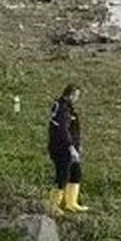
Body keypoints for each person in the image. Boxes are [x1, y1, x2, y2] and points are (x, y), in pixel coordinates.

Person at [47, 85, 88, 213]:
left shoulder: (70, 108)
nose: (76, 98)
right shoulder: (62, 109)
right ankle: (53, 204)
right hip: (61, 147)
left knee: (76, 173)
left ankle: (71, 202)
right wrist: (70, 146)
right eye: (75, 95)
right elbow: (62, 130)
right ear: (69, 94)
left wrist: (77, 145)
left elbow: (73, 129)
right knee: (62, 175)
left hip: (71, 146)